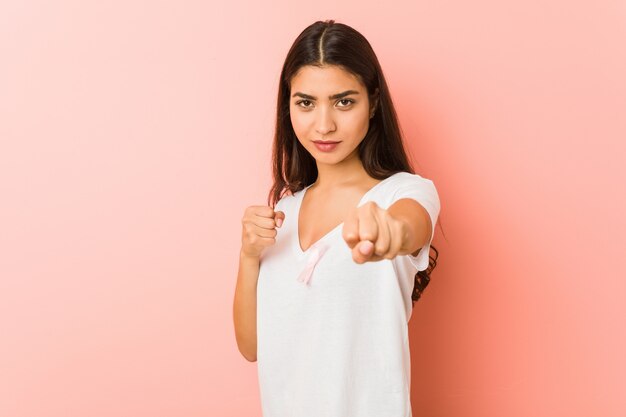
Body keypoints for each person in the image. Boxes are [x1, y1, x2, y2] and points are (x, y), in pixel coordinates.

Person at [233, 19, 441, 417]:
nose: (324, 125)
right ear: (288, 105)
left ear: (373, 102)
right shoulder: (283, 213)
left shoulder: (404, 192)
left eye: (344, 101)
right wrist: (247, 256)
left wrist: (390, 232)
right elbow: (252, 347)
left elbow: (409, 225)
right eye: (306, 102)